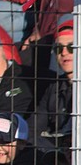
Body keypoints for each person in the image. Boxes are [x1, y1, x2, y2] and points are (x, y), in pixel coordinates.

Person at [30, 20, 74, 153]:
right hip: (56, 155)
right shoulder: (54, 87)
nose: (64, 53)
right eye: (59, 48)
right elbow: (34, 127)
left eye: (72, 47)